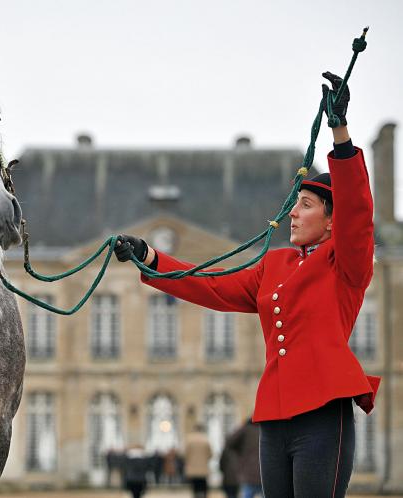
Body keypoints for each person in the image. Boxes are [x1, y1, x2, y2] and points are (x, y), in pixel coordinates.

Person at [113, 72, 380, 498]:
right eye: (293, 206)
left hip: (323, 415)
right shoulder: (273, 264)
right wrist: (151, 259)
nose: (292, 214)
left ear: (332, 221)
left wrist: (340, 134)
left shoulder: (345, 263)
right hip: (273, 418)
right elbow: (212, 286)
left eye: (305, 206)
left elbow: (358, 212)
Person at [227, 418, 261, 498]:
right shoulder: (265, 430)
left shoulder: (245, 430)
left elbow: (229, 442)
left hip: (248, 474)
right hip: (264, 474)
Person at [184, 424, 212, 498]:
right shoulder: (205, 440)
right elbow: (210, 455)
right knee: (203, 487)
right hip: (203, 469)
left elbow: (185, 455)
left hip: (193, 469)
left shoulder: (189, 440)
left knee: (195, 488)